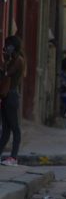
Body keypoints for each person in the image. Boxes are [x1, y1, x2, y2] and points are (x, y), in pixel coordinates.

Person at [0, 36, 25, 166]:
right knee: (5, 129)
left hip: (11, 96)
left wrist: (5, 61)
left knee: (14, 127)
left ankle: (14, 157)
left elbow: (6, 74)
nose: (5, 48)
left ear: (13, 47)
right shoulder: (12, 60)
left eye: (7, 45)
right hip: (5, 96)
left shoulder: (18, 61)